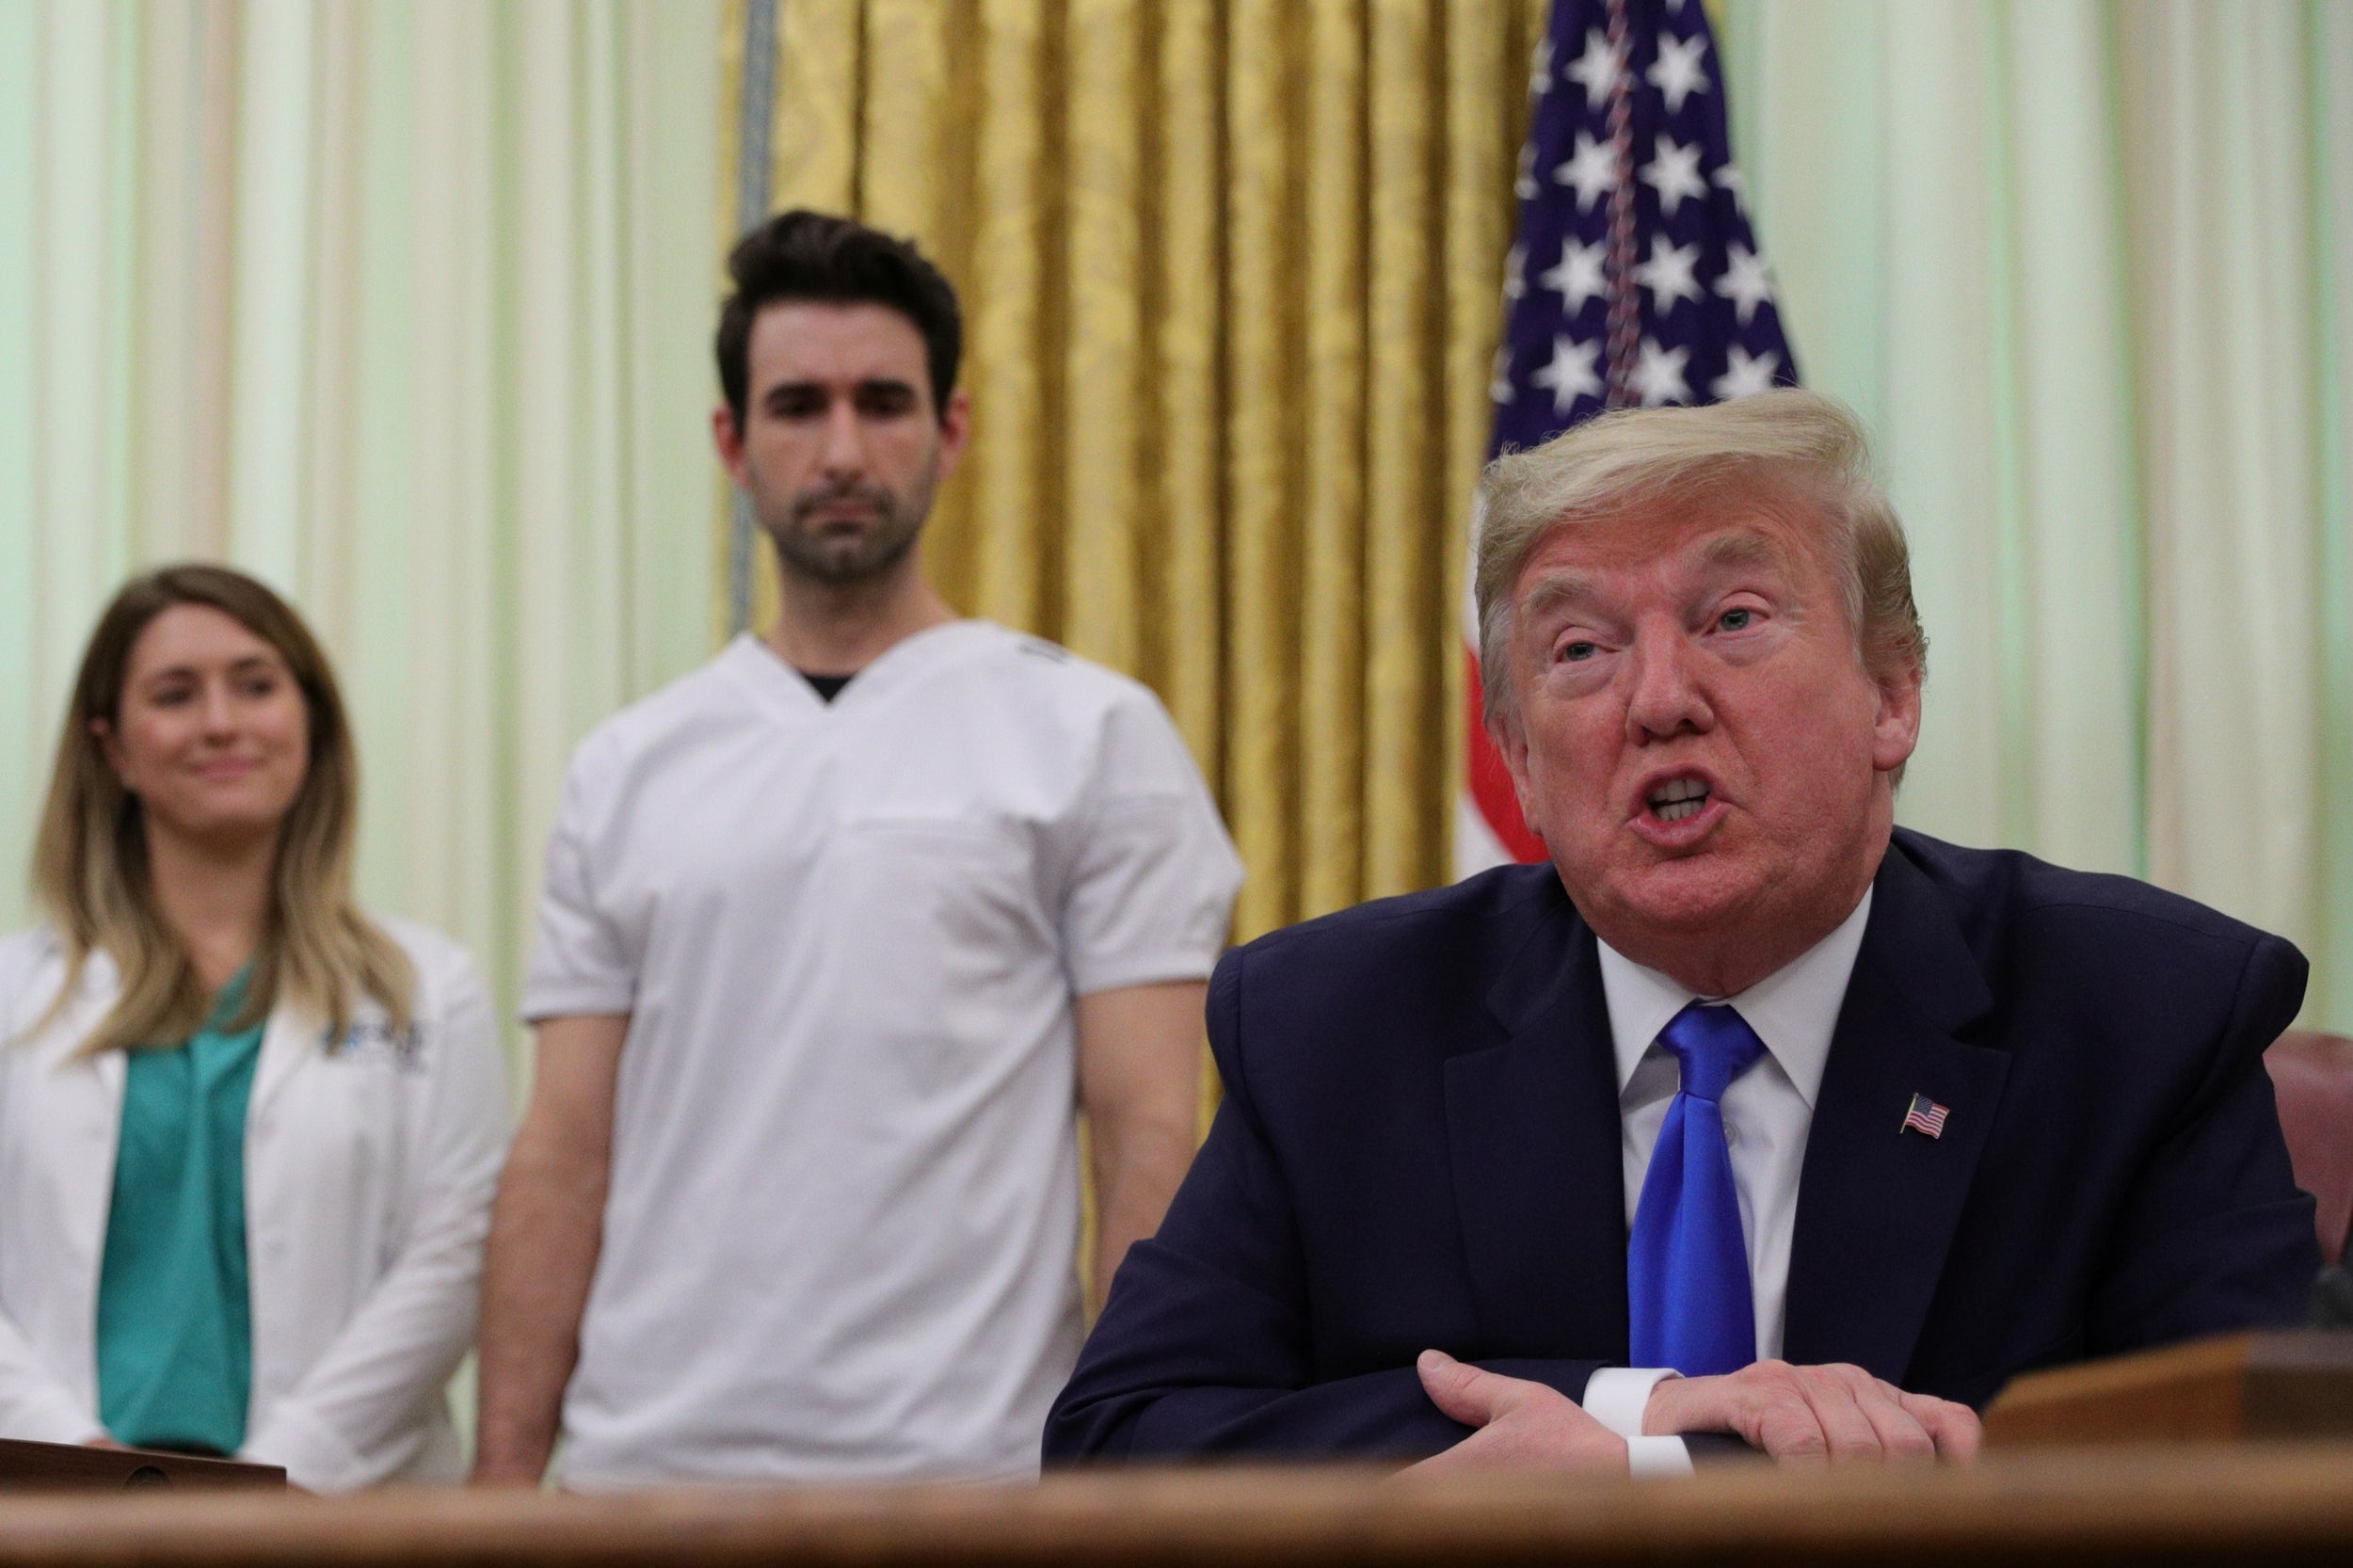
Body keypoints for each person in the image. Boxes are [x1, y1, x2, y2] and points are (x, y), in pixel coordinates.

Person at [1046, 390, 2319, 1474]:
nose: (1659, 700)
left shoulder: (2142, 1015)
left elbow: (2259, 1465)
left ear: (1891, 693)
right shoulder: (1340, 1025)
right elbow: (1121, 1441)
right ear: (1519, 761)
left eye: (1733, 619)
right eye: (1582, 648)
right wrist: (1636, 1418)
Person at [472, 210, 1242, 1489]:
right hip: (642, 1482)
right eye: (797, 406)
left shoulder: (1091, 734)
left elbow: (1146, 1133)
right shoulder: (628, 765)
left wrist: (1119, 1482)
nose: (841, 449)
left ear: (951, 430)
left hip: (967, 1483)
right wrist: (498, 1494)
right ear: (733, 442)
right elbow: (563, 1151)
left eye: (883, 403)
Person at [0, 565, 509, 1493]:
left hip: (342, 1505)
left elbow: (453, 1261)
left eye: (256, 685)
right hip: (54, 1504)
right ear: (111, 747)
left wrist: (283, 1470)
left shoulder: (430, 989)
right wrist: (75, 1457)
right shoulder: (14, 994)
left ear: (309, 721)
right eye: (174, 695)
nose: (221, 722)